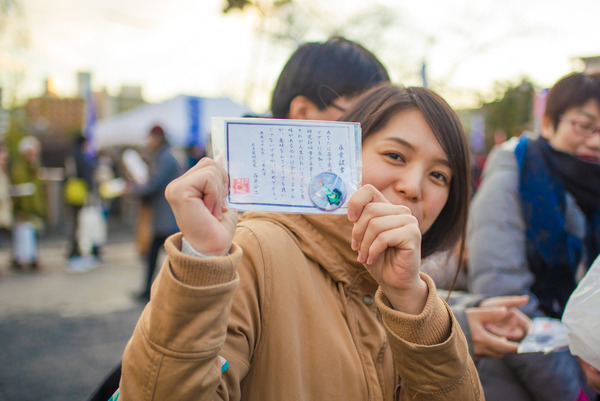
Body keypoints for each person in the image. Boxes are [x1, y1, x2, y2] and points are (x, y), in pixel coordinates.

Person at [117, 82, 485, 400]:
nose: (414, 186)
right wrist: (202, 259)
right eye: (394, 155)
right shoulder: (254, 251)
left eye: (439, 175)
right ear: (341, 153)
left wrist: (411, 302)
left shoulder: (415, 294)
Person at [467, 71, 600, 400]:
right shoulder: (512, 178)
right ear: (550, 122)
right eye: (585, 126)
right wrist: (576, 393)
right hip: (520, 380)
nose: (596, 140)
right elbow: (504, 302)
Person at [130, 125, 183, 302]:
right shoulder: (164, 156)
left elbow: (154, 184)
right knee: (160, 256)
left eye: (151, 138)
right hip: (165, 216)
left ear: (158, 137)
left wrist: (133, 189)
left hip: (167, 217)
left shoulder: (166, 158)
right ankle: (152, 290)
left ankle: (162, 292)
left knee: (168, 257)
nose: (149, 142)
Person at [64, 134, 100, 272]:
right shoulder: (80, 155)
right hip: (79, 194)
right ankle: (76, 253)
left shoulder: (71, 155)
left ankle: (73, 252)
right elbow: (85, 174)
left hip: (70, 193)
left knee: (74, 224)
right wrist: (91, 189)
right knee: (79, 225)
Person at [10, 135, 46, 272]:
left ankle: (30, 258)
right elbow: (20, 190)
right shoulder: (19, 169)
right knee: (23, 235)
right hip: (24, 209)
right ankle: (22, 259)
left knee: (31, 234)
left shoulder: (34, 168)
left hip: (33, 208)